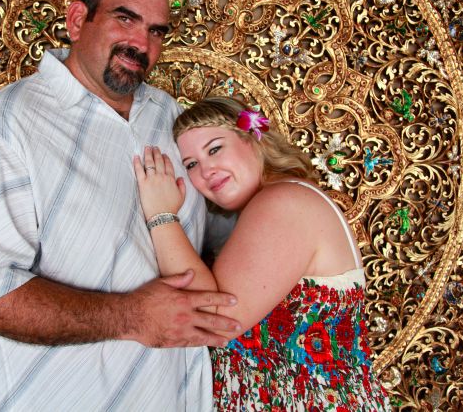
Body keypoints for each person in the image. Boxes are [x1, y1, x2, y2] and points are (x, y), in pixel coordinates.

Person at [0, 0, 242, 411]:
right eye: (125, 18)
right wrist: (131, 316)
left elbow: (216, 238)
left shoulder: (167, 114)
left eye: (156, 31)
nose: (141, 43)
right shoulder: (11, 121)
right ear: (77, 20)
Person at [133, 96, 391, 411]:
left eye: (214, 149)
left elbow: (214, 321)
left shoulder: (284, 202)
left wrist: (161, 215)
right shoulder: (273, 205)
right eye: (191, 164)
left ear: (254, 139)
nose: (207, 170)